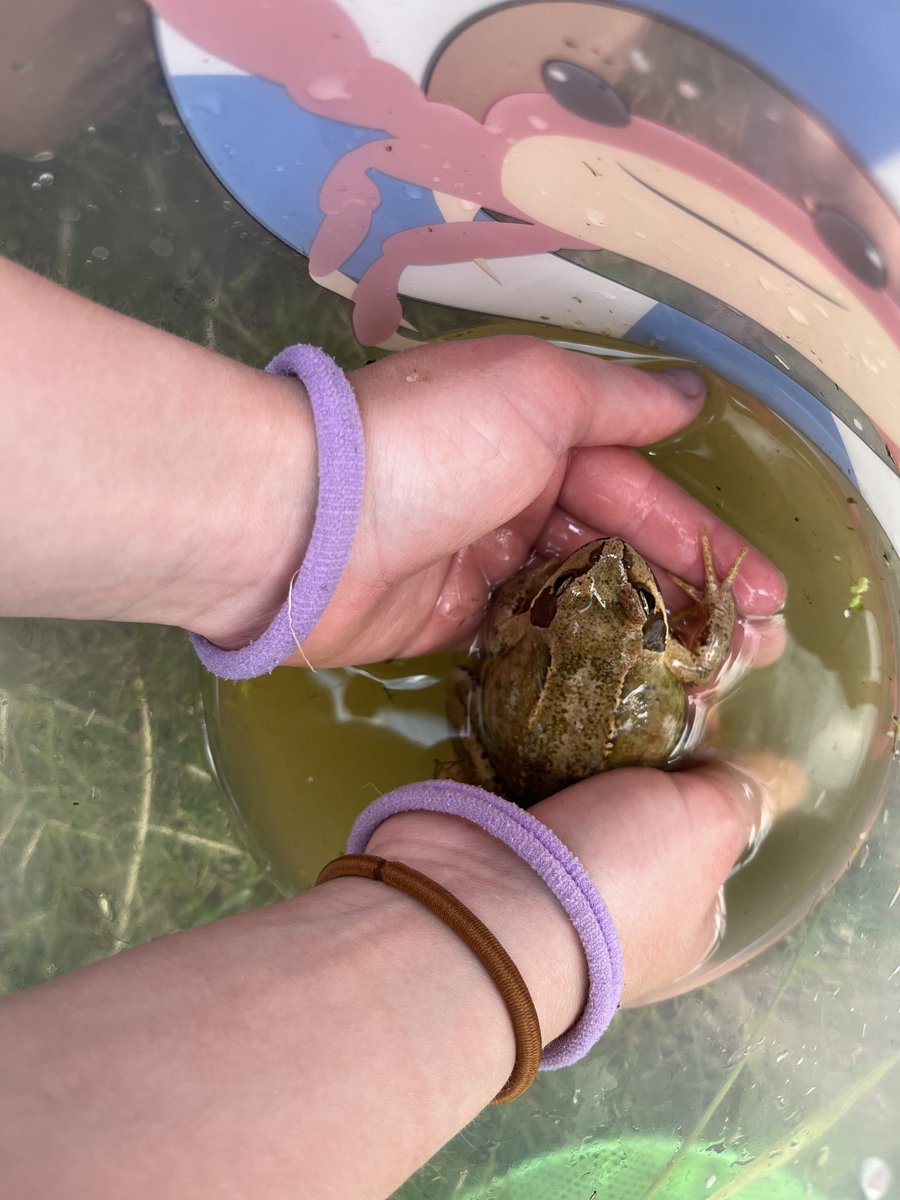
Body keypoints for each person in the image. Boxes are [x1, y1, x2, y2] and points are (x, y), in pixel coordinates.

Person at [0, 256, 786, 1199]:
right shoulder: (674, 658)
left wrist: (326, 511)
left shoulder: (520, 620)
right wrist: (533, 915)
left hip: (501, 744)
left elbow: (509, 639)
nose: (611, 561)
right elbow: (705, 653)